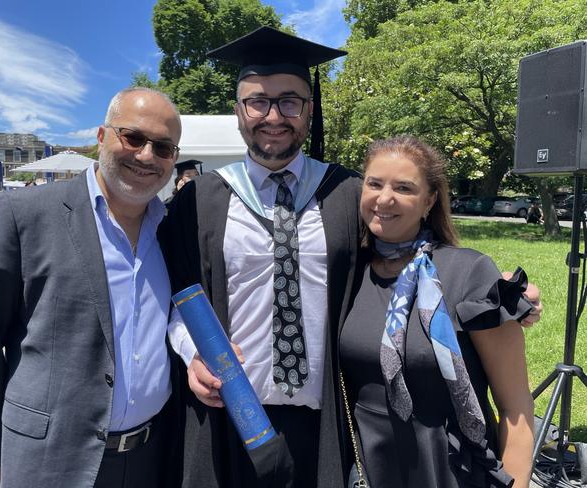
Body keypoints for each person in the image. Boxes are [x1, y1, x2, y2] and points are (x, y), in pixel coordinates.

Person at [162, 27, 541, 488]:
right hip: (228, 416)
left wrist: (495, 297)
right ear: (239, 110)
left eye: (290, 101)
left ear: (309, 108)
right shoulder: (199, 199)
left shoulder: (345, 193)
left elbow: (406, 248)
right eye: (257, 101)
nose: (273, 115)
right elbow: (172, 297)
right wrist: (191, 353)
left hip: (327, 424)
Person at [0, 87, 183, 488]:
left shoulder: (172, 230)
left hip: (152, 458)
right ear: (101, 137)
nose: (147, 155)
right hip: (50, 463)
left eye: (163, 147)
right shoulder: (22, 215)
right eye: (133, 137)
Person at [338, 136, 534, 488]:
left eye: (404, 187)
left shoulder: (469, 274)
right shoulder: (349, 274)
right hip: (368, 466)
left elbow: (516, 407)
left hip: (448, 468)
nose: (385, 198)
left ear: (429, 200)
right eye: (375, 183)